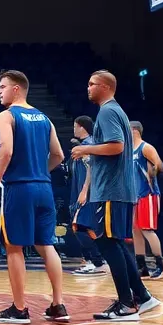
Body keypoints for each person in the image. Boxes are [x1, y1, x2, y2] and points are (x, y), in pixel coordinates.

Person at [71, 71, 163, 321]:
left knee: (107, 243)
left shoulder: (108, 111)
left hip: (112, 190)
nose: (88, 87)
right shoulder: (114, 111)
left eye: (92, 83)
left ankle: (127, 303)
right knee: (113, 243)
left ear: (106, 86)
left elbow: (117, 146)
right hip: (117, 189)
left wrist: (84, 149)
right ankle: (141, 297)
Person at [0, 70, 68, 324]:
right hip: (44, 188)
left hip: (19, 188)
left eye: (2, 87)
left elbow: (6, 151)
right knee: (47, 245)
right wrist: (39, 171)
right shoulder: (45, 118)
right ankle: (58, 304)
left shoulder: (6, 116)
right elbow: (58, 155)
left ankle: (19, 308)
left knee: (14, 248)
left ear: (16, 89)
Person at [68, 116, 107, 275]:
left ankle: (98, 262)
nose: (73, 129)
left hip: (90, 193)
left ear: (82, 127)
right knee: (84, 227)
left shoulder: (90, 145)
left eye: (75, 126)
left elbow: (93, 170)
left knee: (80, 226)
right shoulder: (82, 146)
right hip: (80, 192)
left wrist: (85, 190)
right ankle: (92, 261)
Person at [131, 121, 163, 279]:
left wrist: (153, 170)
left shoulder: (146, 148)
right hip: (134, 196)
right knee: (135, 231)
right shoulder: (128, 150)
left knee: (147, 230)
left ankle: (160, 266)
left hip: (148, 194)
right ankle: (142, 267)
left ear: (135, 131)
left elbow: (160, 165)